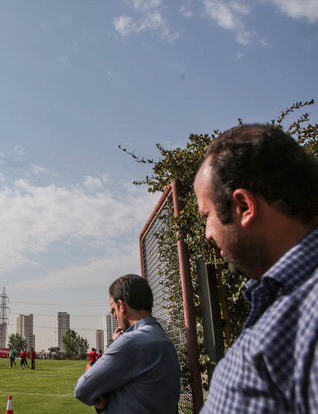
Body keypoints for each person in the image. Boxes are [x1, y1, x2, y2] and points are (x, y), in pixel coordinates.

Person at [193, 124, 318, 413]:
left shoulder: (309, 310)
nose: (207, 234)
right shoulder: (284, 298)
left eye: (207, 215)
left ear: (244, 206)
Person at [74, 274, 180, 413]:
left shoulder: (131, 341)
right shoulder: (163, 339)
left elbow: (82, 389)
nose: (115, 317)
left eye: (114, 311)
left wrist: (103, 401)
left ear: (122, 306)